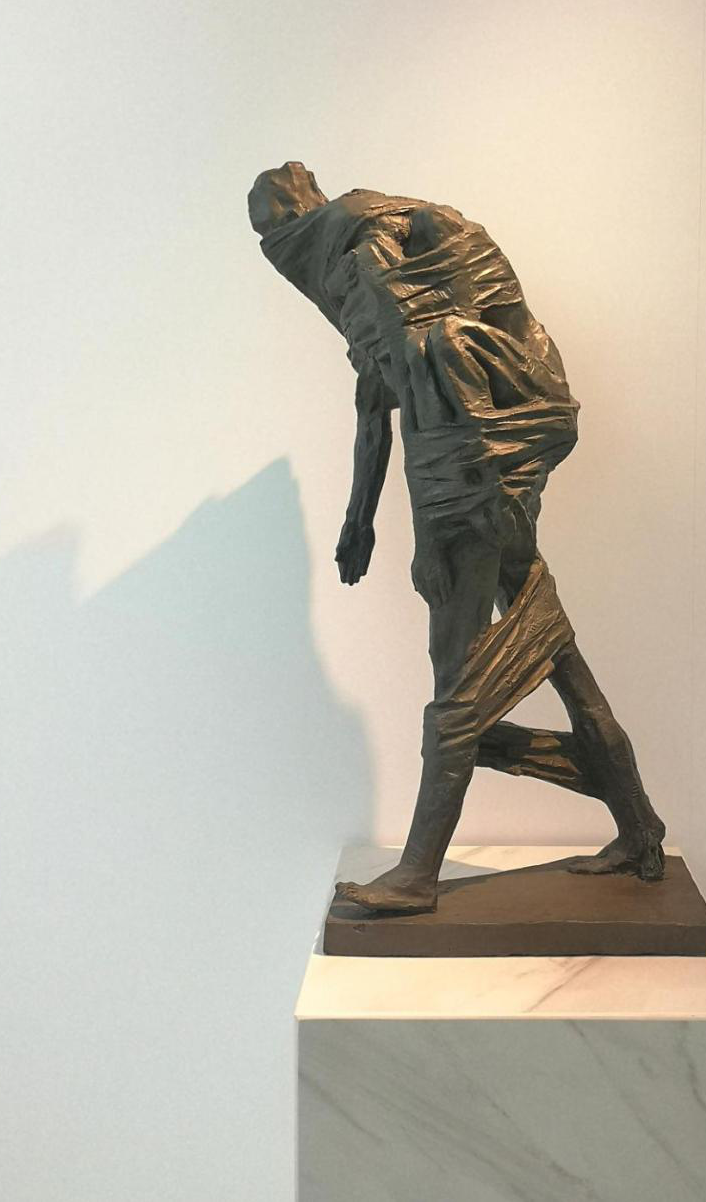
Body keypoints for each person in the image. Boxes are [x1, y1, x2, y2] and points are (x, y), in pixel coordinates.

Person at [249, 162, 665, 913]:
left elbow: (427, 373)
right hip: (483, 481)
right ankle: (639, 827)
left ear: (290, 221)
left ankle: (417, 874)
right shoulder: (367, 263)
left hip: (469, 486)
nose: (275, 253)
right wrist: (358, 518)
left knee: (457, 691)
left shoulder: (363, 260)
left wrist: (440, 520)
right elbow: (376, 404)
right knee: (562, 664)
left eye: (269, 232)